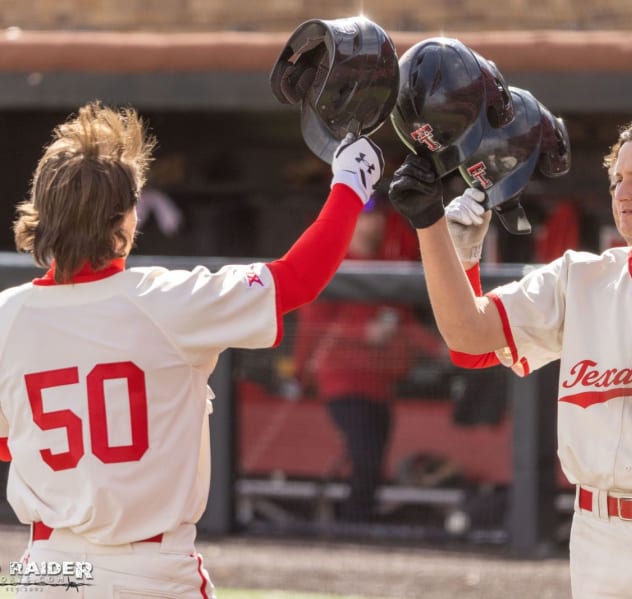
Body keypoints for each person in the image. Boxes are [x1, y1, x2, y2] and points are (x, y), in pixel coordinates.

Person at [0, 101, 383, 597]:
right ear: (121, 223)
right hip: (150, 571)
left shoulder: (7, 314)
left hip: (47, 571)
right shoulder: (166, 299)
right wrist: (350, 186)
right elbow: (298, 279)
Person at [388, 114, 632, 598]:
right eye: (617, 180)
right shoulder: (578, 279)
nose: (621, 193)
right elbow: (468, 335)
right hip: (598, 537)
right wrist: (430, 226)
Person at [292, 197, 444, 523]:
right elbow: (312, 324)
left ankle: (359, 516)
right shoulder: (333, 262)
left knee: (374, 456)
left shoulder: (385, 264)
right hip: (342, 378)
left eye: (376, 217)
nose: (372, 224)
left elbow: (404, 321)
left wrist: (444, 350)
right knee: (364, 453)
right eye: (365, 217)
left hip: (379, 381)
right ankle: (353, 518)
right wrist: (298, 372)